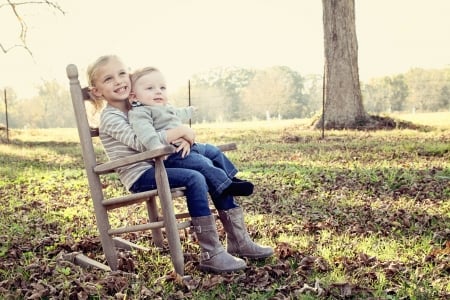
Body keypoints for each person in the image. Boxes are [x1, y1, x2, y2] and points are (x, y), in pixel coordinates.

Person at [87, 55, 273, 273]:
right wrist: (180, 132)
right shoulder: (111, 118)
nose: (118, 81)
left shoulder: (138, 104)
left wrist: (184, 138)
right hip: (141, 173)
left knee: (209, 162)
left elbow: (167, 125)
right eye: (108, 79)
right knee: (196, 177)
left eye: (121, 74)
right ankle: (211, 253)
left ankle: (240, 240)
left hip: (162, 163)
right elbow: (143, 143)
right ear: (97, 91)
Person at [128, 66, 253, 199]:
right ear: (134, 96)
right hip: (175, 154)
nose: (158, 92)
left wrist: (190, 111)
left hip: (190, 146)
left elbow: (179, 113)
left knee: (214, 151)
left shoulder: (166, 107)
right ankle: (224, 185)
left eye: (162, 88)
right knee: (202, 163)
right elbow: (146, 134)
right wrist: (157, 148)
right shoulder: (140, 113)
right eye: (150, 88)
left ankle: (230, 177)